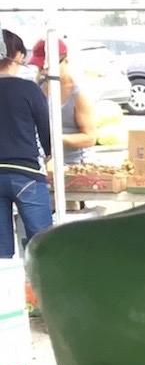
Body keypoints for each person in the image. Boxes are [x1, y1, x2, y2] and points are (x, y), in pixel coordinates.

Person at [0, 29, 53, 258]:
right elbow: (45, 128)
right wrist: (49, 153)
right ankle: (37, 291)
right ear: (19, 56)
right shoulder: (29, 89)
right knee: (41, 246)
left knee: (1, 252)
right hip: (26, 173)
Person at [28, 39, 97, 169]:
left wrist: (56, 137)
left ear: (66, 61)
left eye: (48, 68)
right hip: (43, 164)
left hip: (75, 165)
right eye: (40, 68)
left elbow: (89, 138)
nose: (44, 72)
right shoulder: (40, 85)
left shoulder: (79, 94)